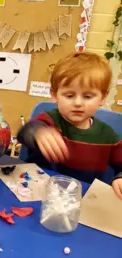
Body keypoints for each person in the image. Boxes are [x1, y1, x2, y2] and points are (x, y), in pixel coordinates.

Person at [17, 52, 122, 199]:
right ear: (54, 95)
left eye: (87, 96)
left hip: (81, 200)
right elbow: (24, 133)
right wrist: (38, 132)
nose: (78, 103)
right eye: (69, 95)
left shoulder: (109, 136)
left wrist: (119, 177)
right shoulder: (49, 119)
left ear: (103, 98)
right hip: (38, 193)